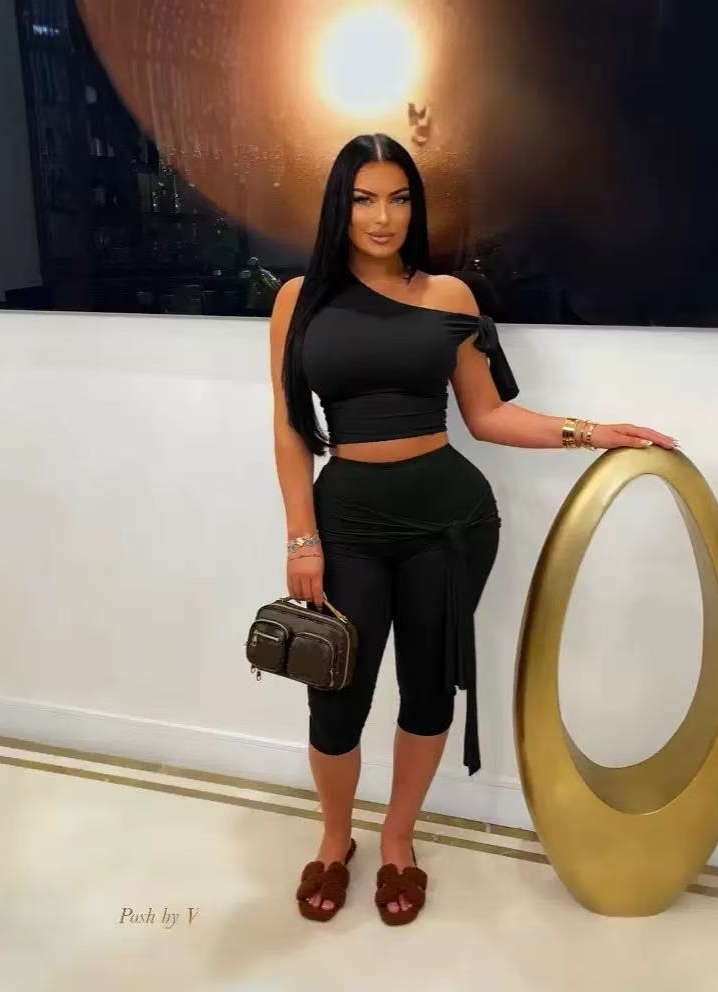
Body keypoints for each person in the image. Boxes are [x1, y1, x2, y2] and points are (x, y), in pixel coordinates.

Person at [269, 133, 675, 926]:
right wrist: (300, 537)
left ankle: (397, 840)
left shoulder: (450, 296)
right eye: (363, 199)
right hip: (345, 522)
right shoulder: (297, 300)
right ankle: (333, 837)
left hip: (448, 523)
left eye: (398, 198)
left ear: (415, 208)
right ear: (338, 207)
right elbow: (289, 428)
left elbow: (487, 417)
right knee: (336, 697)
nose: (382, 217)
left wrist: (592, 431)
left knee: (427, 690)